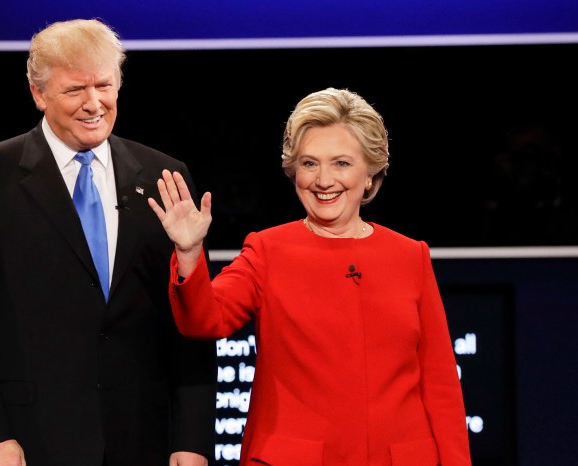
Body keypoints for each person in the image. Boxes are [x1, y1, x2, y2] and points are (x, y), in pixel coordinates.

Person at [0, 19, 216, 466]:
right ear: (38, 94)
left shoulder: (163, 175)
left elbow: (190, 320)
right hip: (24, 441)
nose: (93, 103)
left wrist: (193, 439)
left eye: (104, 85)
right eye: (74, 90)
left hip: (141, 438)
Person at [149, 88, 472, 465]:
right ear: (293, 171)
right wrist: (189, 253)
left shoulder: (409, 256)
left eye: (341, 163)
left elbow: (441, 384)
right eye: (309, 163)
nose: (323, 180)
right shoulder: (268, 250)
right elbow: (205, 319)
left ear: (369, 173)